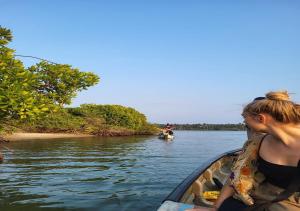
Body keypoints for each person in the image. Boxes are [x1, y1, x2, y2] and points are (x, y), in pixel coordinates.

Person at [186, 90, 300, 211]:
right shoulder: (256, 143)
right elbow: (235, 178)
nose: (244, 123)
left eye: (245, 119)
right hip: (255, 200)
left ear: (260, 119)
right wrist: (215, 208)